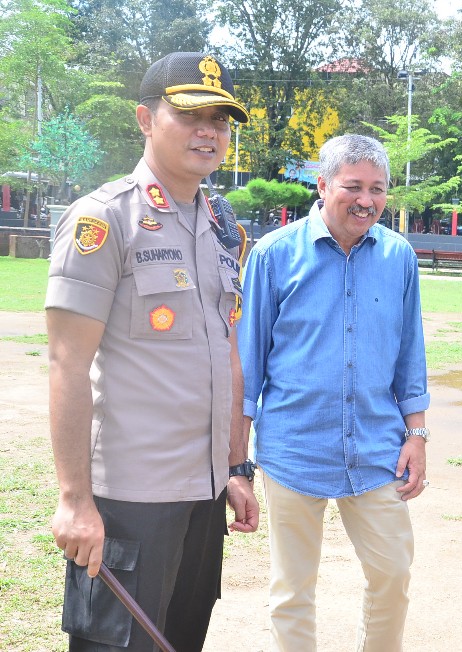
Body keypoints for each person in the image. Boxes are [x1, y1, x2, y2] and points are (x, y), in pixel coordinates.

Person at [45, 51, 258, 651]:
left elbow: (228, 350)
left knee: (181, 639)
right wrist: (74, 501)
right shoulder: (105, 219)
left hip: (204, 493)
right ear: (144, 118)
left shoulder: (223, 225)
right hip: (131, 501)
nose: (209, 132)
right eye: (191, 115)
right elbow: (66, 363)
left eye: (220, 120)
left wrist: (236, 467)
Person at [238, 134, 430, 652]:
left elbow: (410, 354)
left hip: (375, 449)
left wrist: (417, 435)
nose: (366, 200)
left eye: (378, 189)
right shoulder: (275, 256)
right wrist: (238, 463)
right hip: (293, 447)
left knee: (392, 572)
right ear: (322, 186)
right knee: (291, 590)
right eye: (353, 186)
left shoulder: (398, 257)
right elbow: (247, 366)